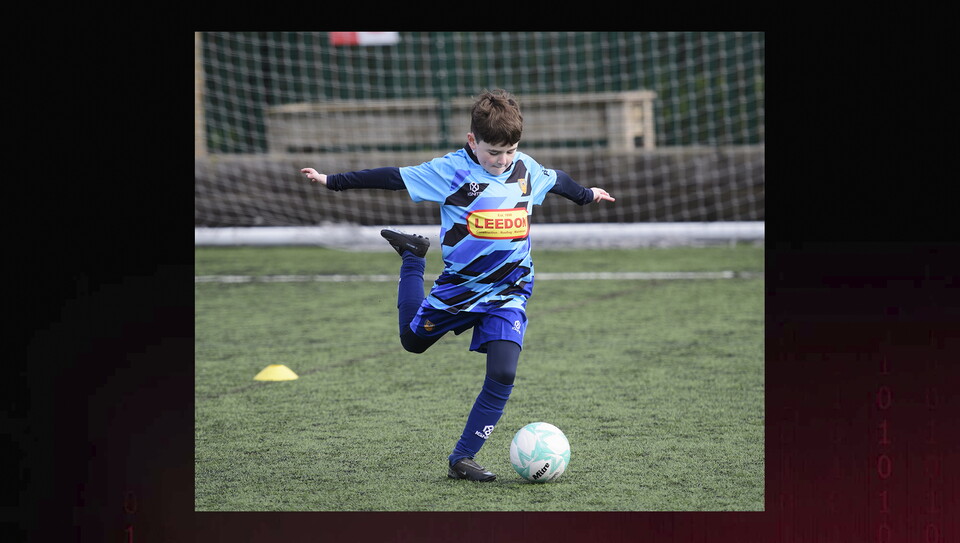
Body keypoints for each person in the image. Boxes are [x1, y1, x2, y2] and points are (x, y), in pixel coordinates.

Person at [300, 89, 614, 482]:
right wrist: (332, 181)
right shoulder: (451, 171)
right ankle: (413, 257)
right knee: (412, 342)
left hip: (509, 291)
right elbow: (393, 177)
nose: (502, 160)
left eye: (510, 151)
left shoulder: (525, 170)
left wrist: (587, 195)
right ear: (472, 141)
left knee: (503, 373)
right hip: (460, 288)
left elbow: (558, 180)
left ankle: (462, 458)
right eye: (493, 152)